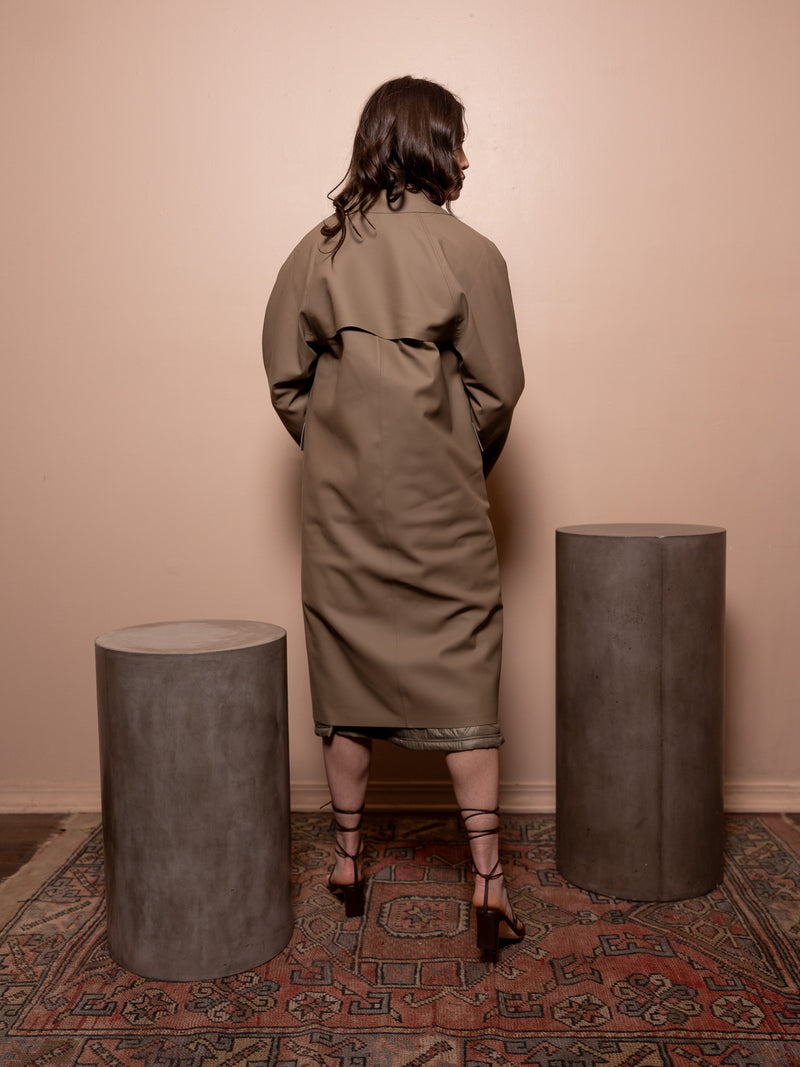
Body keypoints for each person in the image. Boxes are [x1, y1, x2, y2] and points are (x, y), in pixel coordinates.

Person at [263, 76, 525, 952]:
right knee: (465, 669)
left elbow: (286, 379)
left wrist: (337, 451)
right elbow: (499, 388)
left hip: (340, 511)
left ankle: (347, 863)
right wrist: (450, 457)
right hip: (442, 508)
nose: (465, 158)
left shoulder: (317, 248)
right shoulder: (471, 251)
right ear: (426, 144)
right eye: (455, 140)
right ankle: (486, 880)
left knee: (345, 678)